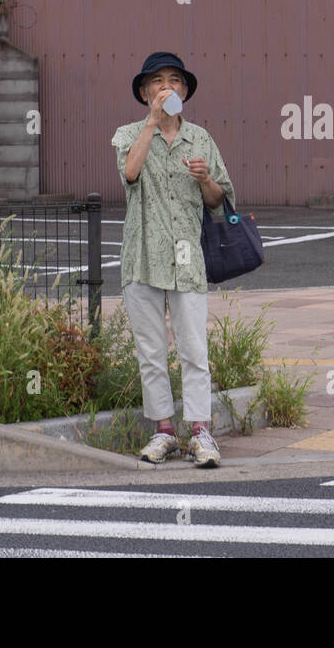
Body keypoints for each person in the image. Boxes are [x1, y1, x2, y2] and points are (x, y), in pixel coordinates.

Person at [111, 52, 235, 467]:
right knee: (150, 351)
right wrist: (151, 122)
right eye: (158, 81)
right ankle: (164, 431)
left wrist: (205, 180)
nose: (168, 87)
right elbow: (129, 174)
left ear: (185, 90)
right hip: (141, 259)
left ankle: (200, 432)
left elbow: (221, 202)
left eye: (175, 81)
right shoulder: (128, 133)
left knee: (193, 350)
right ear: (145, 91)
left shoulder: (200, 139)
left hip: (187, 260)